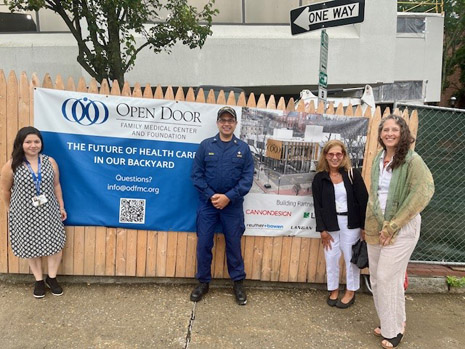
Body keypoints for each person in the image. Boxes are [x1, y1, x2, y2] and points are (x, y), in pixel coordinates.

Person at [365, 115, 434, 348]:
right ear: (381, 134)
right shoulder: (378, 159)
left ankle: (394, 331)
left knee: (387, 277)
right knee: (376, 278)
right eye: (385, 130)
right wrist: (374, 227)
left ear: (403, 132)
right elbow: (374, 195)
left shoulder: (412, 160)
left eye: (395, 129)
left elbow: (423, 192)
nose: (390, 133)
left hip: (402, 227)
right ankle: (391, 322)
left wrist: (393, 225)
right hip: (377, 225)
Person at [190, 106, 254, 305]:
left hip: (232, 206)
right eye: (223, 120)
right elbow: (196, 175)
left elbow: (247, 179)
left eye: (230, 120)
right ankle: (203, 282)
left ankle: (238, 283)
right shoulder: (205, 146)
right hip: (208, 205)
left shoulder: (243, 149)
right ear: (218, 123)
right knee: (204, 244)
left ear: (235, 124)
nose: (226, 123)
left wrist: (228, 197)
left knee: (234, 245)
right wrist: (211, 196)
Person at [1, 126, 67, 298]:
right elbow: (5, 190)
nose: (33, 145)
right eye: (28, 142)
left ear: (41, 143)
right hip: (24, 214)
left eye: (36, 141)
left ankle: (51, 278)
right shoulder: (11, 165)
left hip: (49, 211)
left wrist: (61, 206)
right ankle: (38, 280)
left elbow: (56, 185)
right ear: (20, 144)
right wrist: (10, 210)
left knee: (55, 244)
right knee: (31, 247)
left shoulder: (50, 162)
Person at [312, 140, 368, 309]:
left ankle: (351, 291)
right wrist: (322, 229)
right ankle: (333, 289)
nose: (335, 158)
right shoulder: (319, 178)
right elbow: (318, 205)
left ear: (343, 156)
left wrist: (365, 227)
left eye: (338, 154)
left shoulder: (352, 175)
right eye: (331, 154)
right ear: (325, 156)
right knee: (331, 258)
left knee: (351, 259)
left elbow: (364, 202)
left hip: (351, 224)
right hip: (330, 225)